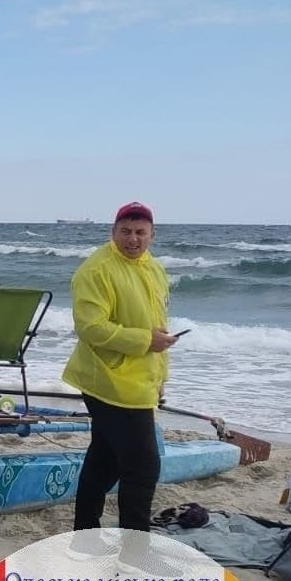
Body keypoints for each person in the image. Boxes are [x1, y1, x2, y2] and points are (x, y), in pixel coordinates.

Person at [63, 201, 176, 533]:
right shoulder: (96, 270)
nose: (133, 239)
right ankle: (135, 548)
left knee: (106, 459)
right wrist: (145, 341)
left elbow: (159, 327)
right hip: (108, 380)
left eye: (140, 232)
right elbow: (90, 328)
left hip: (139, 380)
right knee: (143, 467)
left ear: (152, 235)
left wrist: (161, 375)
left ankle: (85, 534)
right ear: (113, 232)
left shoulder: (153, 267)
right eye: (125, 231)